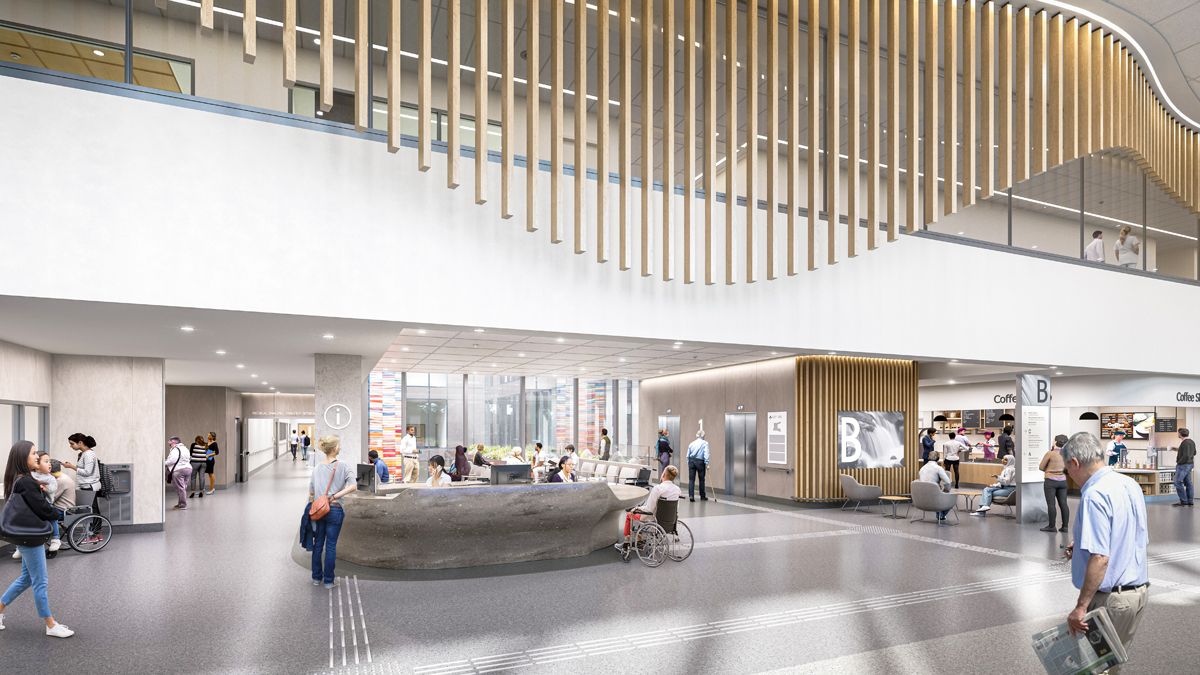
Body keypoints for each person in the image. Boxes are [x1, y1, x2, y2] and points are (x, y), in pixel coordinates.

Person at [1061, 432, 1148, 673]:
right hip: (1136, 595)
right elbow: (1129, 535)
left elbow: (1100, 557)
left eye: (1067, 470)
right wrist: (1081, 543)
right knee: (1110, 667)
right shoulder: (1129, 483)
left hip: (1110, 600)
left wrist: (1081, 606)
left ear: (1075, 463)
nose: (1069, 476)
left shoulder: (1094, 494)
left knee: (1088, 668)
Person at [0, 441, 74, 637]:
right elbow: (42, 508)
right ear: (23, 457)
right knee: (40, 580)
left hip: (25, 535)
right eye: (33, 453)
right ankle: (51, 625)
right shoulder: (25, 481)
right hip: (30, 537)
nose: (37, 457)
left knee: (26, 578)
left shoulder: (20, 479)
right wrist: (57, 514)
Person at [309, 435, 357, 589]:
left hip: (319, 511)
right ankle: (329, 581)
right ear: (335, 448)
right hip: (335, 509)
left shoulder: (317, 467)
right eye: (339, 445)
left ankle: (316, 578)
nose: (340, 448)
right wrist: (335, 495)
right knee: (330, 546)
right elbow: (353, 486)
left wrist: (322, 492)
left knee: (318, 545)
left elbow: (311, 492)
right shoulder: (343, 465)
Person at [617, 465, 681, 553]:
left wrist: (637, 508)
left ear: (663, 475)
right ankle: (639, 543)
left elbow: (649, 509)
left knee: (630, 515)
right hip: (669, 521)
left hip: (654, 520)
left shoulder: (658, 488)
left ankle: (626, 544)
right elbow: (676, 508)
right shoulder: (677, 490)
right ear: (673, 479)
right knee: (638, 516)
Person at [25, 451, 60, 556]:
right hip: (33, 505)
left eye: (49, 461)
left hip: (46, 504)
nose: (50, 464)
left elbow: (54, 487)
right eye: (46, 461)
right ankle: (23, 543)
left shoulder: (50, 478)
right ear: (37, 465)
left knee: (52, 517)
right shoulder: (31, 475)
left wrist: (46, 488)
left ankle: (55, 539)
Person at [1040, 434, 1071, 532]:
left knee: (1051, 504)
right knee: (1064, 504)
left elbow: (1041, 467)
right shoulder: (1067, 454)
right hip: (1063, 481)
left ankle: (1052, 526)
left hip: (1050, 481)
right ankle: (1065, 527)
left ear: (1056, 442)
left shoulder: (1050, 454)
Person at [919, 451, 955, 522]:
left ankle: (940, 514)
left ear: (928, 458)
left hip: (921, 499)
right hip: (935, 499)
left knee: (936, 494)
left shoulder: (922, 468)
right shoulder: (938, 468)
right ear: (938, 459)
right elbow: (947, 483)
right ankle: (940, 516)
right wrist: (945, 491)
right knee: (951, 498)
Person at [164, 436, 192, 510]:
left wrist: (164, 463)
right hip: (188, 469)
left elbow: (172, 460)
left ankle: (182, 504)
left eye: (170, 444)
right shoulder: (185, 448)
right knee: (183, 487)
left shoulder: (175, 449)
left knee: (180, 488)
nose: (170, 445)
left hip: (179, 470)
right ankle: (181, 503)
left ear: (174, 443)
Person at [1172, 428, 1195, 507]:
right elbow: (1193, 452)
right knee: (1188, 483)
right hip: (1190, 464)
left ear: (1179, 434)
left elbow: (1186, 455)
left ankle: (1183, 501)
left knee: (1177, 482)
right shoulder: (1191, 442)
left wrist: (1179, 462)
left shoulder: (1184, 443)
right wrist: (1179, 450)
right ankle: (1190, 501)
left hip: (1183, 465)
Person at [685, 430, 709, 502]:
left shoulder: (692, 443)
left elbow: (687, 455)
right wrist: (707, 464)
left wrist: (688, 464)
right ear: (703, 435)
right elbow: (706, 454)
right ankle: (702, 496)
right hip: (700, 462)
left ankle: (691, 496)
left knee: (691, 479)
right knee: (701, 480)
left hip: (692, 461)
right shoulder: (705, 443)